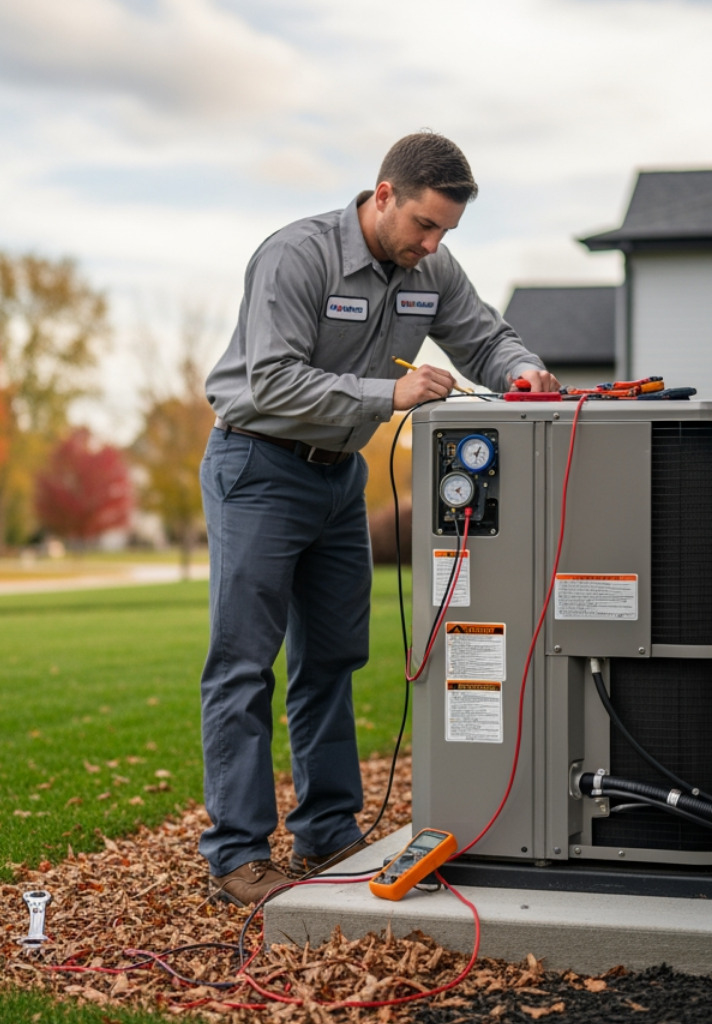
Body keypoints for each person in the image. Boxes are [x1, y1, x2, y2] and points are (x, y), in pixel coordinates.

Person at [198, 131, 560, 906]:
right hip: (256, 466)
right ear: (383, 194)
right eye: (424, 226)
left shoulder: (430, 266)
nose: (432, 246)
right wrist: (385, 396)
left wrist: (523, 371)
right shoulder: (297, 257)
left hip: (337, 482)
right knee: (243, 663)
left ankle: (328, 833)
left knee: (331, 658)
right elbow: (271, 381)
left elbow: (483, 335)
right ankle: (236, 856)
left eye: (446, 234)